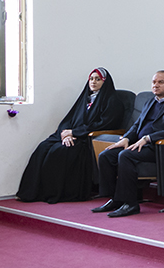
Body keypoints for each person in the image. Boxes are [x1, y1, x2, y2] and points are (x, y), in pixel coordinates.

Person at [17, 67, 126, 203]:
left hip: (85, 138)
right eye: (91, 79)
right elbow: (69, 118)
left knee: (59, 151)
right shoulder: (85, 98)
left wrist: (75, 133)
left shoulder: (113, 101)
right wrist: (66, 133)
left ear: (105, 82)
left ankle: (53, 193)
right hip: (72, 135)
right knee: (43, 147)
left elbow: (104, 124)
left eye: (98, 79)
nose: (93, 82)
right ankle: (31, 192)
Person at [93, 71, 164, 218]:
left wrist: (148, 138)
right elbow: (137, 125)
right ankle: (115, 198)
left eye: (161, 82)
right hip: (140, 144)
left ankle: (131, 204)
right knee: (106, 155)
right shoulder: (150, 101)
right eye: (154, 82)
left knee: (125, 156)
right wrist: (126, 138)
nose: (156, 85)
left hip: (160, 148)